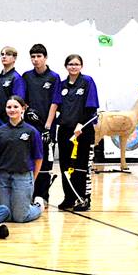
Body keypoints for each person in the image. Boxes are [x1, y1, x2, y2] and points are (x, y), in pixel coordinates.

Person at [52, 54, 99, 211]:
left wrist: (81, 124)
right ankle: (69, 198)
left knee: (81, 166)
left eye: (76, 64)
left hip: (82, 131)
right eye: (70, 64)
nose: (73, 67)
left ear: (81, 66)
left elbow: (91, 107)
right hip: (65, 131)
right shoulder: (62, 85)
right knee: (66, 166)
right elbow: (56, 106)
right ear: (66, 66)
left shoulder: (87, 82)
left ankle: (83, 199)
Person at [0, 96, 43, 223]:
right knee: (7, 216)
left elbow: (38, 157)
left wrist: (32, 178)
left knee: (20, 217)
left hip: (23, 176)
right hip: (3, 176)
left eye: (16, 107)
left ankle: (38, 206)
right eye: (9, 107)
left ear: (23, 109)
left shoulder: (31, 131)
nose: (12, 110)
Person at [22, 44, 60, 209]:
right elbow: (23, 100)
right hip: (30, 128)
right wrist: (28, 111)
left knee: (45, 162)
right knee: (30, 161)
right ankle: (29, 194)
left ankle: (43, 196)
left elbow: (55, 102)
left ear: (45, 57)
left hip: (47, 127)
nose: (35, 60)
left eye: (38, 56)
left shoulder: (54, 77)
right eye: (33, 57)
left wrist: (47, 126)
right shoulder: (26, 76)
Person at [0, 46, 25, 126]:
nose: (4, 56)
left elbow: (18, 101)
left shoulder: (16, 78)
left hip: (10, 121)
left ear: (14, 58)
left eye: (8, 54)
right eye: (2, 54)